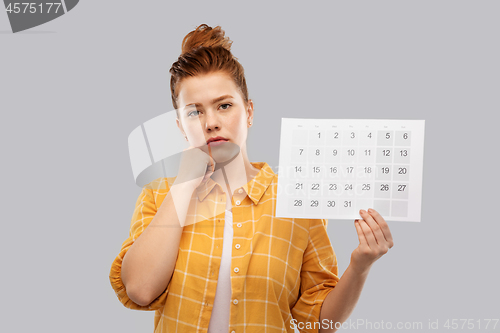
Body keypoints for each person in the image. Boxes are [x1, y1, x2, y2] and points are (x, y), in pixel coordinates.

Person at [109, 24, 394, 333]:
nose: (211, 123)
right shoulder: (159, 194)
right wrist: (185, 184)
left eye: (224, 106)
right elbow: (139, 289)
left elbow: (319, 323)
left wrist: (360, 266)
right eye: (195, 112)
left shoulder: (294, 198)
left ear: (249, 112)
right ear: (180, 126)